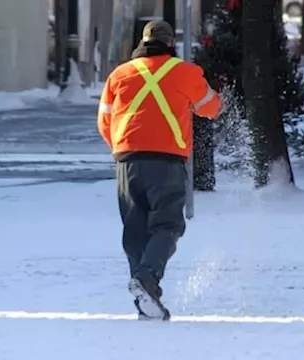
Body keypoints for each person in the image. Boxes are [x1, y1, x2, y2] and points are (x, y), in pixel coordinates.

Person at [97, 20, 223, 321]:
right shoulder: (186, 72)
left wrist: (123, 145)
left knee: (135, 229)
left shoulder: (120, 74)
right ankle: (147, 280)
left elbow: (104, 122)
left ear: (141, 42)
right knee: (167, 226)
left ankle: (145, 298)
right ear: (170, 44)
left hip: (127, 160)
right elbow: (211, 108)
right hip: (166, 160)